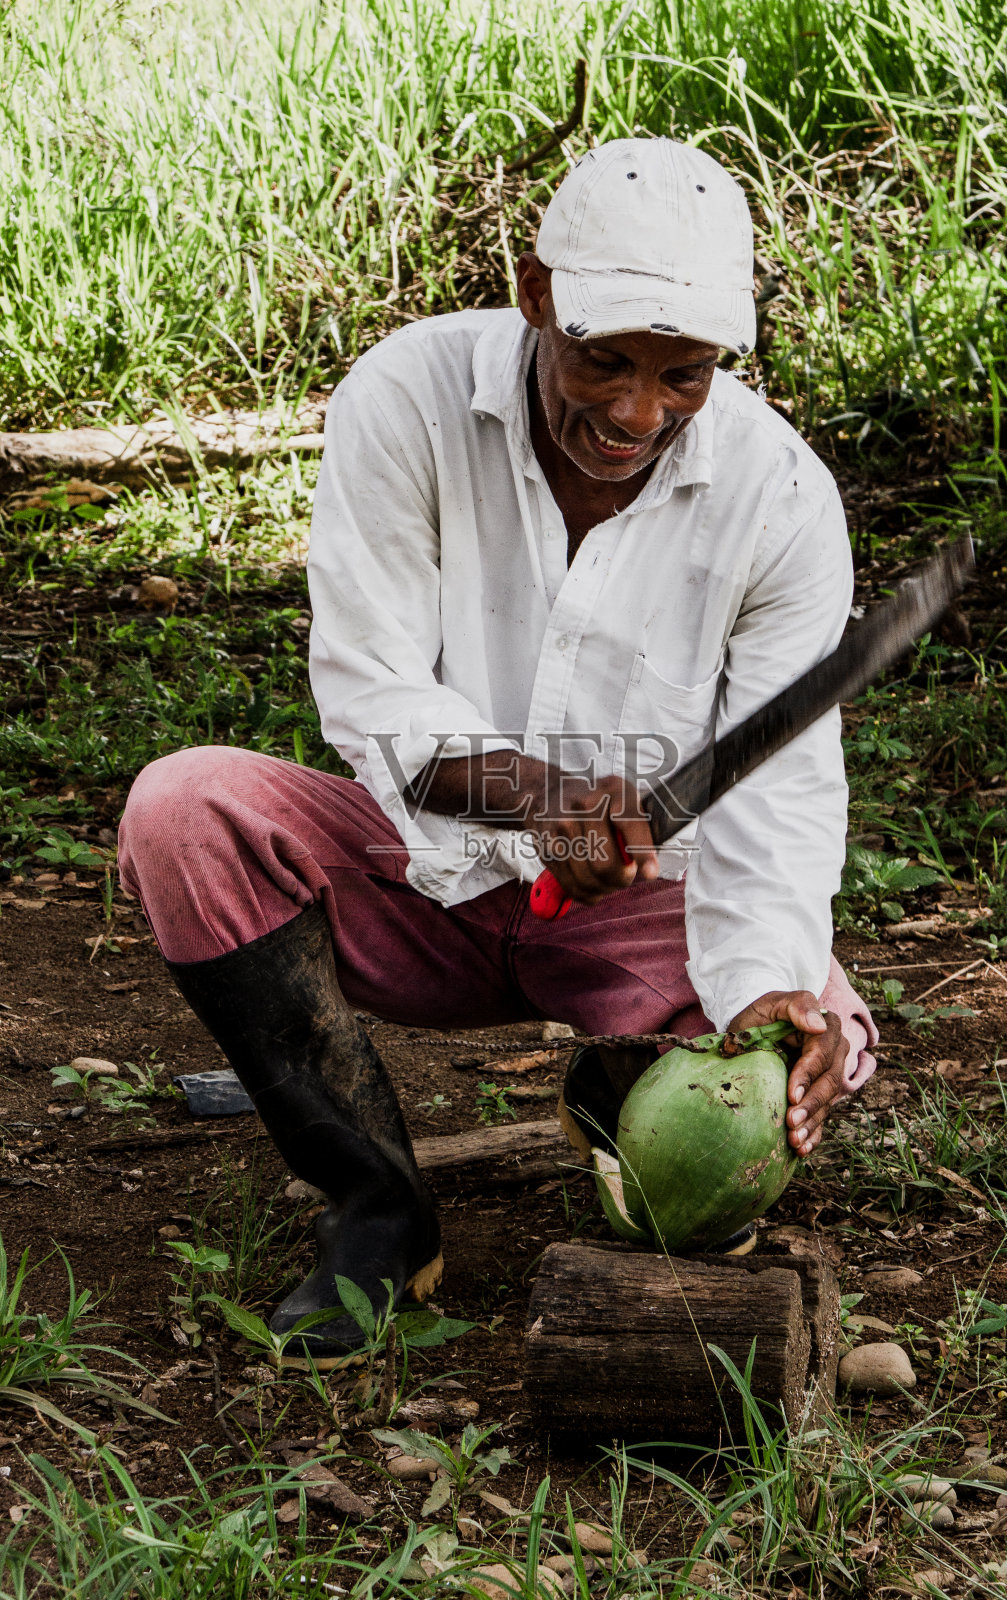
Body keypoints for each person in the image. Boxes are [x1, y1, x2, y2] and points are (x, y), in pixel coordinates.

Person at [119, 137, 877, 1368]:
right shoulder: (406, 396)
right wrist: (540, 802)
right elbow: (368, 688)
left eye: (682, 375)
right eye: (602, 360)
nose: (636, 414)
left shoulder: (778, 499)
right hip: (418, 886)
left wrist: (764, 997)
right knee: (183, 811)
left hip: (635, 918)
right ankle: (374, 1206)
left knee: (811, 1033)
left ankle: (622, 1122)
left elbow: (780, 799)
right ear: (535, 295)